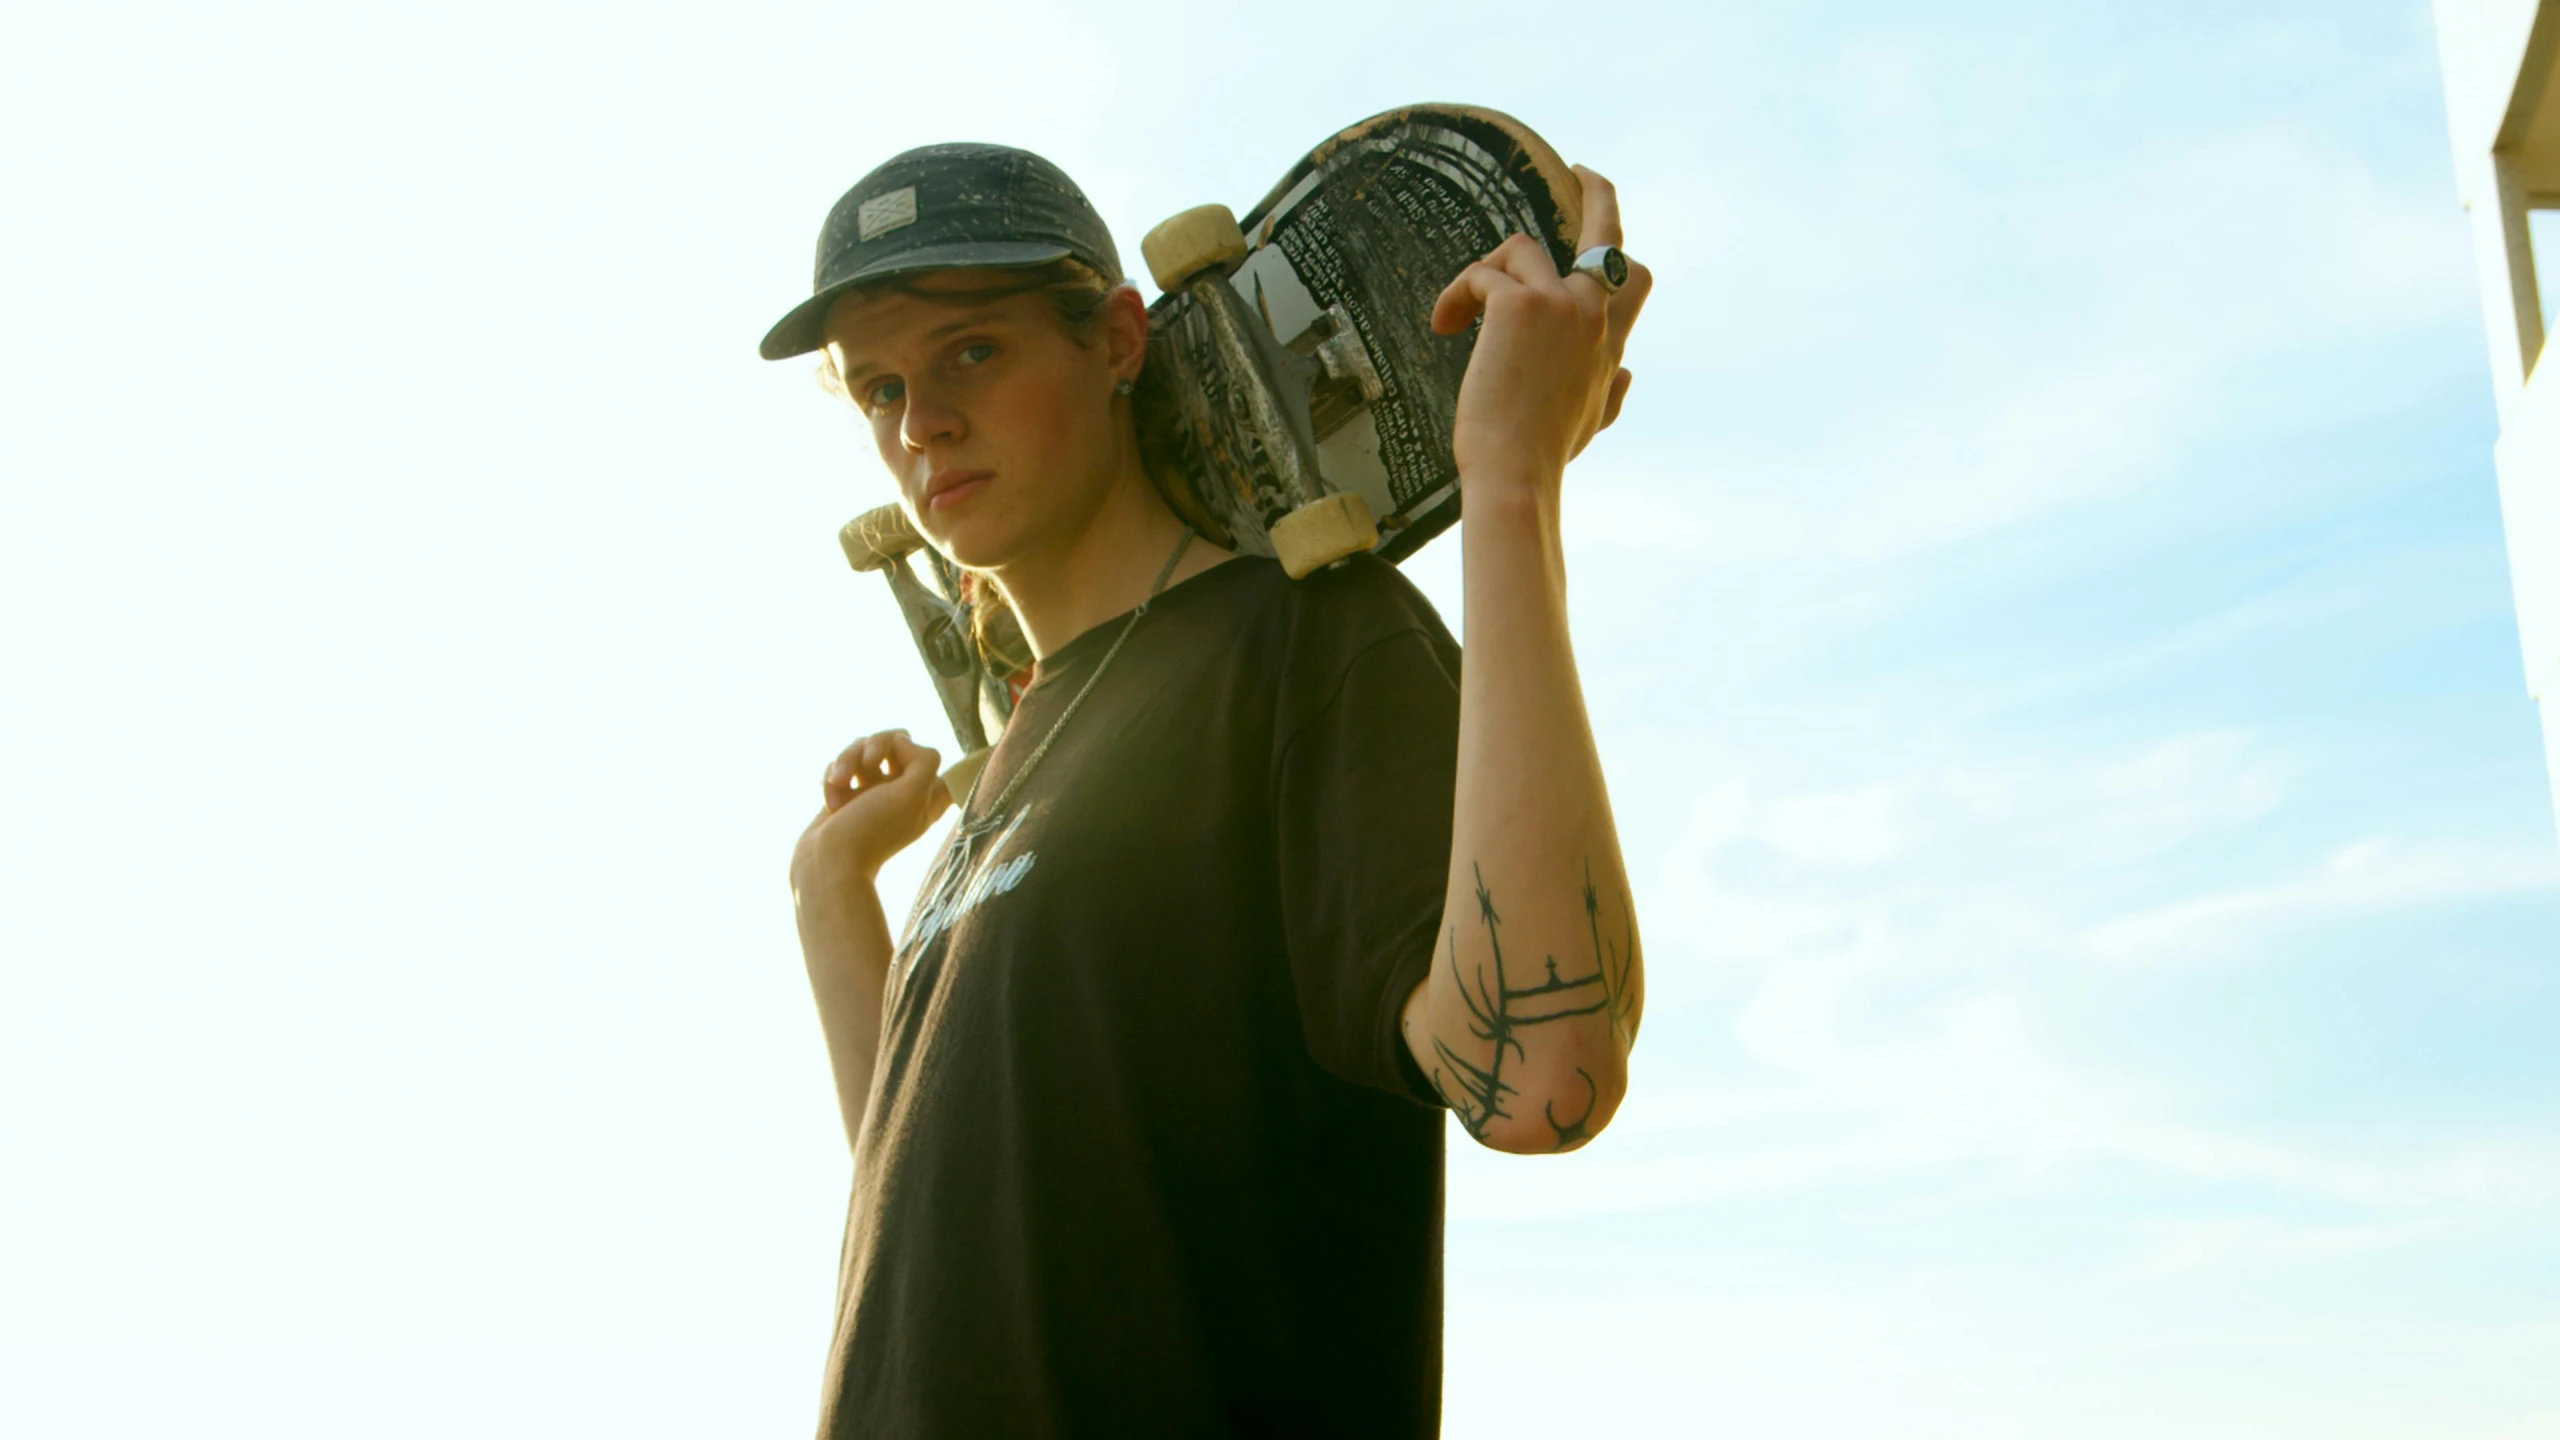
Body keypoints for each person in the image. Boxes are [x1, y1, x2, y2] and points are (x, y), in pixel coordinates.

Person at [764, 141, 1650, 1437]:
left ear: (1118, 336)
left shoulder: (1298, 643)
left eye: (970, 353)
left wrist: (1512, 484)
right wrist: (829, 895)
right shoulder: (1014, 755)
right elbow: (927, 1194)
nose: (920, 423)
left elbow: (1540, 1074)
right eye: (880, 387)